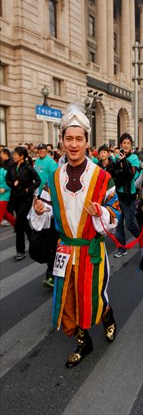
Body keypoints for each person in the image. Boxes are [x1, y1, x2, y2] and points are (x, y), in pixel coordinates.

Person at [30, 105, 121, 368]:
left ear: (87, 142)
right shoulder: (54, 177)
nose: (73, 144)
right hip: (65, 250)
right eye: (68, 138)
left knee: (93, 295)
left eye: (78, 139)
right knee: (69, 297)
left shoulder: (103, 178)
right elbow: (44, 209)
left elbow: (115, 216)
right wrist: (39, 208)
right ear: (61, 141)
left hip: (91, 251)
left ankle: (108, 316)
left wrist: (101, 211)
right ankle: (84, 341)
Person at [6, 146, 41, 260]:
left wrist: (28, 189)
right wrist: (12, 184)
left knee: (18, 223)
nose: (14, 156)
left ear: (22, 156)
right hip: (15, 197)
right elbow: (7, 179)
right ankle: (33, 242)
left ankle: (21, 250)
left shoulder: (28, 168)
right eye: (14, 154)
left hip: (26, 198)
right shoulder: (12, 166)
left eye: (16, 154)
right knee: (23, 223)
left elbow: (38, 180)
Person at [111, 132, 140, 258]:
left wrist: (124, 164)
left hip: (129, 196)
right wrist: (120, 166)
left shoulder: (134, 158)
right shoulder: (116, 158)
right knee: (118, 224)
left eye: (128, 143)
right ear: (120, 144)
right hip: (118, 194)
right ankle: (121, 248)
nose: (126, 145)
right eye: (124, 143)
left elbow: (130, 176)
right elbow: (114, 174)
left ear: (131, 145)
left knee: (130, 224)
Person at [34, 143, 58, 288]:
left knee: (56, 245)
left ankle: (54, 274)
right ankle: (50, 275)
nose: (41, 152)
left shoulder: (51, 163)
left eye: (43, 150)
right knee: (50, 242)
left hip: (54, 205)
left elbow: (54, 181)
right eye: (39, 150)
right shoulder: (37, 162)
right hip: (42, 200)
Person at [0, 157, 15, 227]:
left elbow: (12, 183)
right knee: (6, 215)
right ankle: (17, 225)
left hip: (4, 196)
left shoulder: (4, 172)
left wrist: (5, 188)